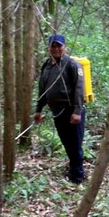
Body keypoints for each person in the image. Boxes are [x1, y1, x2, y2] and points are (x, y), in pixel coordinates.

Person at [34, 34, 86, 184]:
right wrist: (38, 109)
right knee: (67, 143)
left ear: (65, 47)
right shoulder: (46, 66)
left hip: (71, 111)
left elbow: (79, 88)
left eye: (59, 46)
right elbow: (42, 89)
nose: (56, 49)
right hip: (57, 112)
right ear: (48, 47)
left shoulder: (72, 64)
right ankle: (73, 169)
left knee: (75, 144)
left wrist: (77, 111)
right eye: (53, 46)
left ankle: (77, 177)